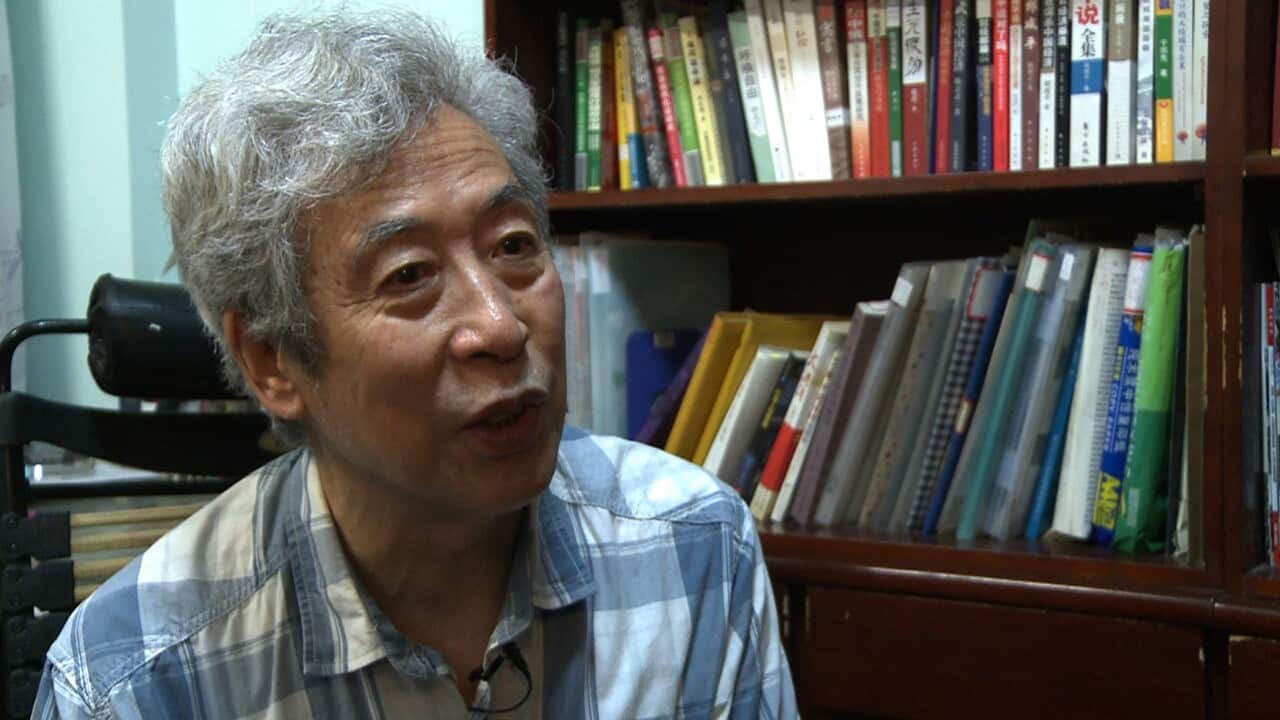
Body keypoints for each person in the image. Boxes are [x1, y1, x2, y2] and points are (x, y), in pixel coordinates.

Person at [34, 10, 797, 719]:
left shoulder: (693, 549)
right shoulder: (133, 676)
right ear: (272, 361)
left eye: (514, 246)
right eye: (408, 277)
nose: (499, 326)